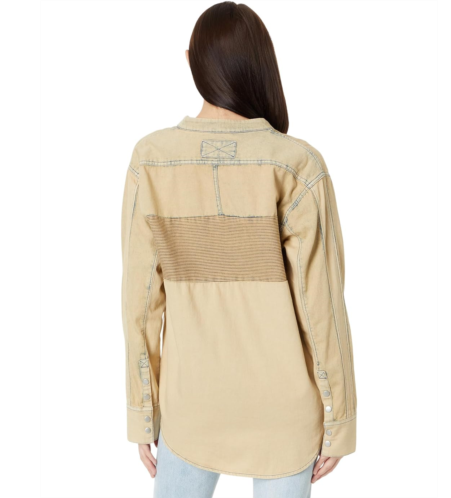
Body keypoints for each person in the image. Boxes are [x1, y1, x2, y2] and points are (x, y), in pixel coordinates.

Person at [121, 2, 357, 497]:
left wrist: (142, 411)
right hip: (283, 414)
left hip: (191, 409)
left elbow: (140, 305)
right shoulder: (297, 164)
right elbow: (322, 307)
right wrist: (339, 419)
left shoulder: (151, 161)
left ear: (191, 61)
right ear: (262, 63)